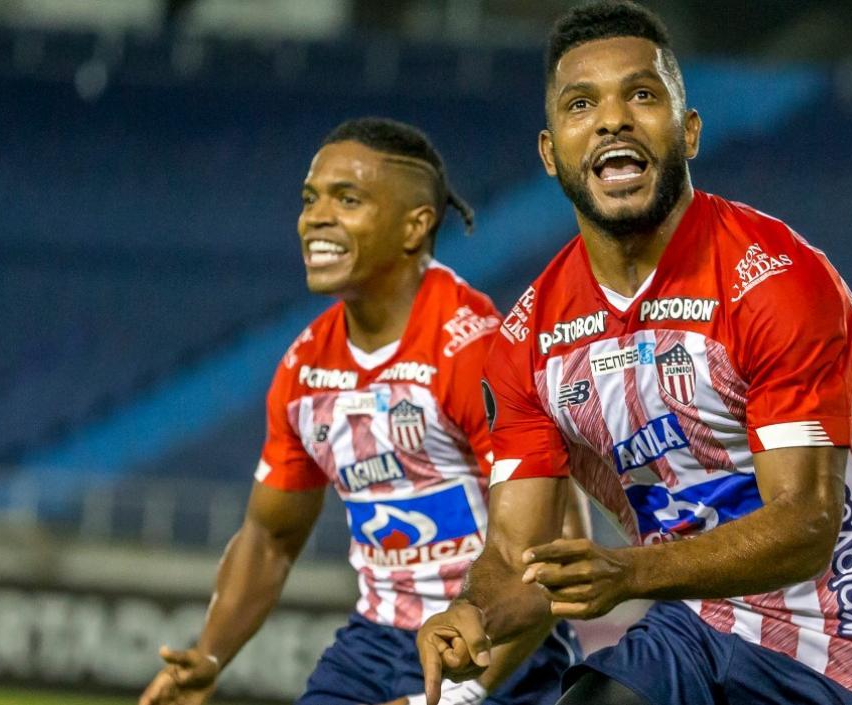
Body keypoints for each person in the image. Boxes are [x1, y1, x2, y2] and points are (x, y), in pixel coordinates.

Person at [416, 3, 852, 704]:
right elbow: (520, 553)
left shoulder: (775, 279)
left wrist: (630, 573)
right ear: (551, 152)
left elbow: (806, 523)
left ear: (689, 131)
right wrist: (474, 615)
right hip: (696, 628)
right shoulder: (526, 341)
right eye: (582, 103)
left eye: (642, 94)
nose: (612, 119)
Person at [138, 117, 583, 705]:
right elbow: (269, 538)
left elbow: (556, 546)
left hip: (496, 642)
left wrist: (455, 699)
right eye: (309, 199)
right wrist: (210, 653)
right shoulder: (304, 367)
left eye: (347, 200)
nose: (315, 218)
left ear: (414, 225)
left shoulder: (475, 350)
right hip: (376, 643)